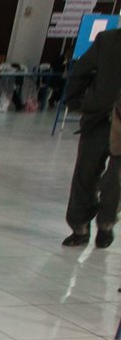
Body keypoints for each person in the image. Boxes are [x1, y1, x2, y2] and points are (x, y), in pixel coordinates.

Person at [62, 27, 121, 248]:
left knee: (116, 179)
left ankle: (106, 223)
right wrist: (76, 101)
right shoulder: (107, 41)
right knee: (85, 173)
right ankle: (79, 227)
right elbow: (81, 71)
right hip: (99, 119)